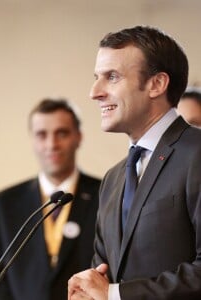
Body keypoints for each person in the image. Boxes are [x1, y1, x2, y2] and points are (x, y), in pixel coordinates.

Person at [68, 25, 201, 300]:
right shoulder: (112, 179)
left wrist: (116, 294)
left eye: (112, 77)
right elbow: (103, 272)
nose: (95, 92)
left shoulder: (196, 153)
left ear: (156, 84)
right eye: (96, 77)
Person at [0, 98, 101, 300]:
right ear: (32, 140)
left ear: (78, 138)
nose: (51, 144)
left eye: (61, 133)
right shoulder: (3, 204)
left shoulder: (106, 195)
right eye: (41, 135)